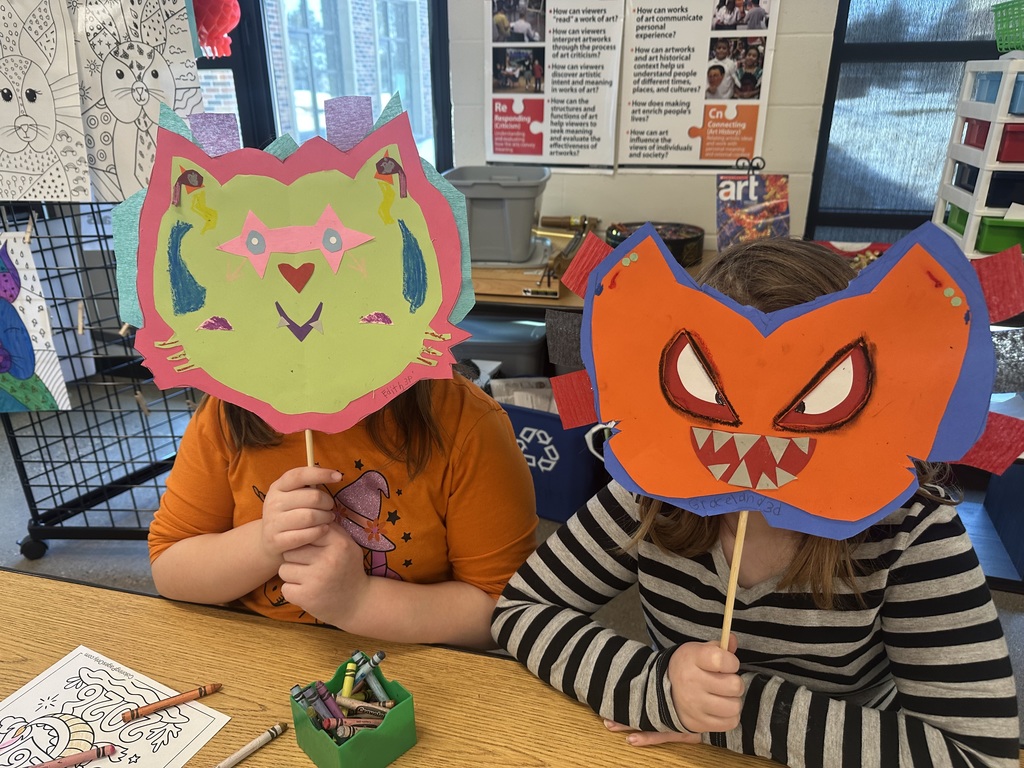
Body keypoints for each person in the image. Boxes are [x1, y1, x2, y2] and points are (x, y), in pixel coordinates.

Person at [492, 239, 1021, 766]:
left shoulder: (913, 532)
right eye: (710, 388)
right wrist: (659, 689)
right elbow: (519, 610)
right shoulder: (653, 490)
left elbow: (982, 754)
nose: (757, 434)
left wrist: (737, 713)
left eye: (822, 397)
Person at [149, 374, 539, 650]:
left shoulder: (467, 425)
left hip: (416, 671)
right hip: (255, 654)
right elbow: (169, 568)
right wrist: (265, 542)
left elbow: (505, 612)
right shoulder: (227, 414)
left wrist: (358, 602)